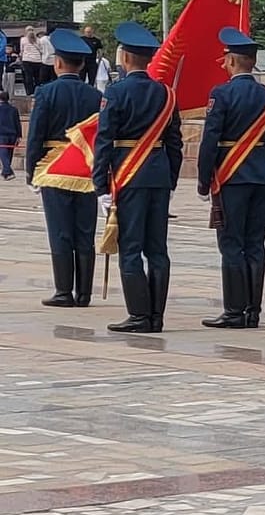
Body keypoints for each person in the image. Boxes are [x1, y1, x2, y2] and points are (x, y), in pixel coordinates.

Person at [94, 23, 183, 333]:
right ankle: (156, 316)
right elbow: (175, 143)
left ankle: (139, 315)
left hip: (128, 175)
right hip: (158, 176)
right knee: (157, 249)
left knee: (131, 248)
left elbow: (104, 140)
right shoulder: (166, 93)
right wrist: (170, 180)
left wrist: (100, 185)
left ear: (125, 57)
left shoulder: (116, 92)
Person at [197, 28, 265, 328]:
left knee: (232, 244)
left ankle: (234, 311)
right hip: (263, 177)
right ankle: (253, 311)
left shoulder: (221, 94)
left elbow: (210, 138)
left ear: (233, 62)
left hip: (231, 176)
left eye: (225, 59)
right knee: (255, 244)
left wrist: (203, 178)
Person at [27, 29, 104, 307]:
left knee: (60, 231)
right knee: (85, 231)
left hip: (54, 167)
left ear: (57, 63)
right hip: (86, 169)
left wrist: (30, 171)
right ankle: (84, 293)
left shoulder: (46, 93)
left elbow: (36, 134)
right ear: (83, 65)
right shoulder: (95, 96)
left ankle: (63, 291)